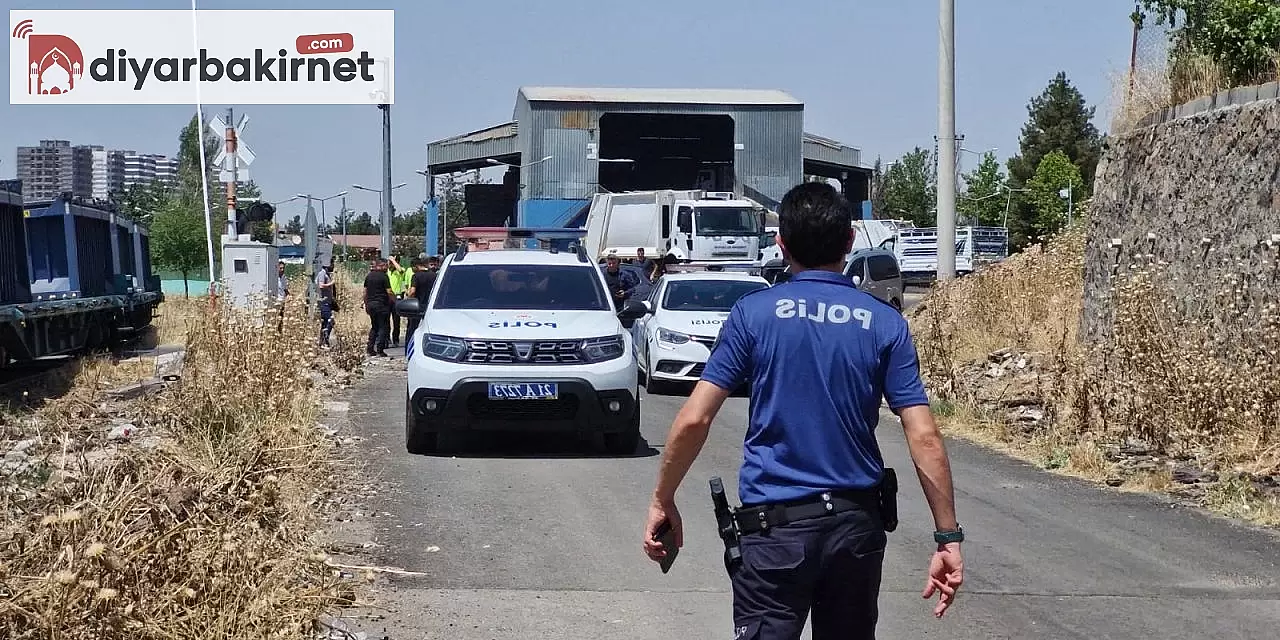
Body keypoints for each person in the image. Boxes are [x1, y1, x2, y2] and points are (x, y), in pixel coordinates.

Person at [641, 182, 964, 640]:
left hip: (773, 534)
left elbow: (695, 417)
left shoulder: (753, 315)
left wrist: (663, 498)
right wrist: (947, 537)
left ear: (781, 243)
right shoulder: (885, 323)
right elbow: (924, 436)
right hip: (855, 532)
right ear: (850, 242)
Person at [362, 259, 394, 357]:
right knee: (383, 327)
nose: (387, 268)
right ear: (382, 265)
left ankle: (370, 348)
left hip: (371, 305)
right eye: (386, 266)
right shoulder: (384, 277)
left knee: (374, 327)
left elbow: (365, 292)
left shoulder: (369, 276)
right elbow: (389, 291)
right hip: (381, 305)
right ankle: (380, 349)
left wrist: (366, 304)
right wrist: (394, 301)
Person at [387, 255, 410, 347]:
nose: (389, 264)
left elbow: (400, 270)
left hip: (397, 297)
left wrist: (393, 260)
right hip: (387, 297)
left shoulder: (400, 270)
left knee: (396, 320)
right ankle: (386, 338)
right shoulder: (387, 271)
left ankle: (395, 339)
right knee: (386, 320)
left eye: (391, 262)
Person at [315, 261, 336, 347]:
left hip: (328, 302)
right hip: (324, 302)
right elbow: (321, 285)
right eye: (332, 264)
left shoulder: (327, 274)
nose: (333, 266)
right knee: (330, 321)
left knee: (325, 323)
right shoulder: (322, 274)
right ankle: (324, 340)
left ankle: (323, 341)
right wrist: (331, 283)